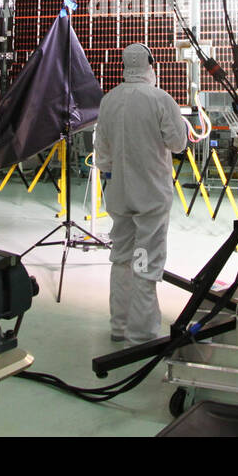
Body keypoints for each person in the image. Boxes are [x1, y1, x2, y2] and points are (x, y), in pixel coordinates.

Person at [94, 43, 189, 344]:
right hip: (151, 195)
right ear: (151, 64)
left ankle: (119, 326)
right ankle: (143, 335)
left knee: (121, 257)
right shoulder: (161, 99)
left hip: (119, 194)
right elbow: (178, 144)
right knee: (145, 261)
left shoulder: (109, 100)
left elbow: (102, 153)